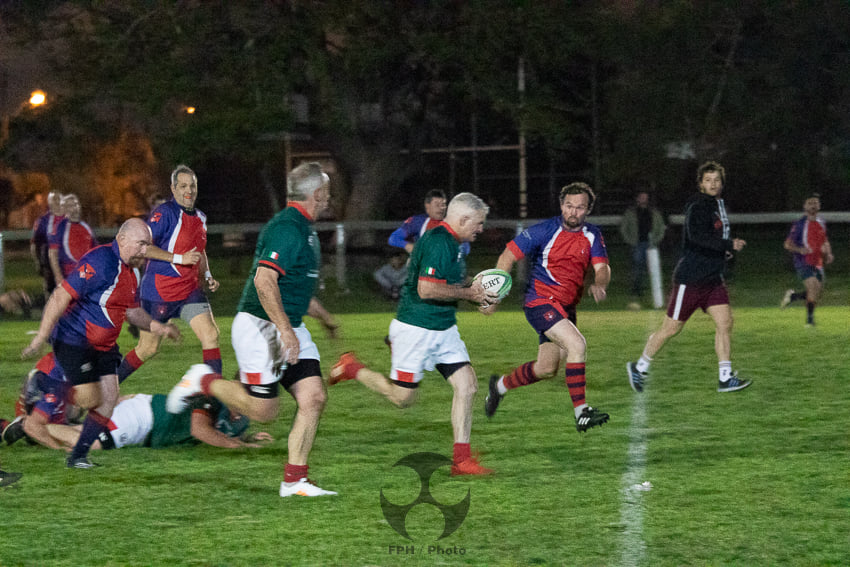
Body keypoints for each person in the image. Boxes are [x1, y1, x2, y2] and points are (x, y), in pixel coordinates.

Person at [166, 162, 340, 498]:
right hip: (261, 325)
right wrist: (285, 332)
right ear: (317, 194)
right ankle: (202, 380)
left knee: (314, 397)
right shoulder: (287, 228)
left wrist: (325, 318)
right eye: (327, 193)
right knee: (264, 411)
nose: (329, 199)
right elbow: (264, 281)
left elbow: (296, 289)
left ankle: (295, 481)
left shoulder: (304, 227)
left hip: (287, 325)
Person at [329, 192, 498, 476]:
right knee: (403, 398)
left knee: (467, 385)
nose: (481, 229)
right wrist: (469, 294)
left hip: (444, 329)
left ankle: (462, 461)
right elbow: (427, 289)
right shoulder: (437, 242)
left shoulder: (455, 244)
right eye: (478, 223)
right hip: (416, 329)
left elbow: (454, 282)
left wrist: (481, 293)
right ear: (463, 219)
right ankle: (351, 367)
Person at [21, 218, 181, 468]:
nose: (145, 250)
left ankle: (78, 457)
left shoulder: (132, 272)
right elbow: (61, 295)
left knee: (109, 399)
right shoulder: (100, 261)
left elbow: (132, 312)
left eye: (147, 245)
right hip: (76, 340)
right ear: (122, 239)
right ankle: (47, 386)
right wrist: (42, 335)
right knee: (90, 399)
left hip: (105, 347)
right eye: (140, 244)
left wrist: (158, 327)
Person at [483, 182, 611, 433]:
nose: (573, 212)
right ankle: (582, 413)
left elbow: (602, 267)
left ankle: (498, 387)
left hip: (566, 308)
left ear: (588, 210)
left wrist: (600, 283)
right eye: (569, 206)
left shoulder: (593, 235)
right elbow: (507, 255)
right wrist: (494, 294)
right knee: (577, 345)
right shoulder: (544, 230)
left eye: (580, 207)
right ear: (561, 205)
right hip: (540, 302)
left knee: (546, 368)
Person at [626, 161, 751, 393]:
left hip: (713, 279)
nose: (713, 184)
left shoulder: (717, 205)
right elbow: (696, 237)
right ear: (701, 184)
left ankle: (725, 377)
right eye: (708, 180)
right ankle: (639, 367)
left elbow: (714, 238)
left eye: (717, 180)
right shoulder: (698, 205)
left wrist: (725, 252)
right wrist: (728, 244)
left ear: (722, 183)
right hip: (691, 280)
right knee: (671, 328)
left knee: (725, 322)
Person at [116, 165, 221, 384]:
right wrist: (180, 258)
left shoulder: (201, 217)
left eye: (192, 185)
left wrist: (207, 275)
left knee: (211, 335)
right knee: (147, 348)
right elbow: (143, 247)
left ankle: (215, 395)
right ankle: (110, 384)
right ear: (173, 189)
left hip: (190, 291)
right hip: (160, 292)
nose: (188, 190)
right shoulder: (164, 213)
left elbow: (200, 250)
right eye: (183, 186)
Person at [45, 393, 272, 451]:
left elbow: (221, 431)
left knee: (82, 434)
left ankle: (40, 430)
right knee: (91, 444)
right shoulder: (212, 399)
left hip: (147, 427)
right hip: (144, 416)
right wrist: (239, 446)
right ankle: (36, 428)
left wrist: (247, 437)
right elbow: (200, 430)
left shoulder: (241, 420)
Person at [780, 193, 833, 326]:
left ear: (819, 206)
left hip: (818, 261)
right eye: (810, 203)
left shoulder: (821, 222)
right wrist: (800, 250)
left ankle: (793, 296)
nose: (813, 206)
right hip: (803, 261)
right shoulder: (800, 224)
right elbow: (787, 244)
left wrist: (829, 253)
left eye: (815, 203)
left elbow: (824, 240)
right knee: (813, 287)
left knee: (816, 292)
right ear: (805, 206)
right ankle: (809, 322)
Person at [389, 189, 471, 256]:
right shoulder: (418, 221)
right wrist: (408, 245)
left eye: (443, 204)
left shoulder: (453, 224)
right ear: (427, 206)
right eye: (437, 204)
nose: (441, 208)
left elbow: (466, 248)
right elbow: (393, 238)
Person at [619, 190, 666, 301]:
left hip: (651, 244)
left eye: (645, 197)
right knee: (637, 267)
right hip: (637, 244)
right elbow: (624, 228)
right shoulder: (631, 213)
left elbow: (661, 227)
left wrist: (656, 240)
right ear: (637, 199)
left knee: (653, 268)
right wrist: (630, 240)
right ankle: (637, 289)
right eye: (641, 197)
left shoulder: (654, 213)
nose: (643, 200)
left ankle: (654, 291)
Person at [47, 194, 97, 287]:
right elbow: (53, 253)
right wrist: (58, 276)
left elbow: (95, 251)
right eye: (71, 205)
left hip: (86, 271)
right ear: (65, 209)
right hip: (69, 273)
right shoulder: (60, 228)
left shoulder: (86, 227)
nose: (75, 208)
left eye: (76, 204)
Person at [30, 191, 64, 300]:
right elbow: (35, 243)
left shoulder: (69, 219)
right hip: (49, 259)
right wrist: (38, 261)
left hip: (65, 259)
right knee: (51, 287)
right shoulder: (43, 221)